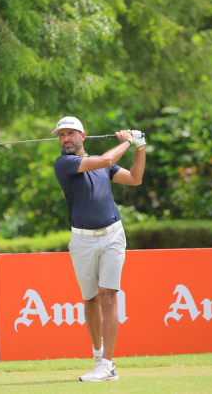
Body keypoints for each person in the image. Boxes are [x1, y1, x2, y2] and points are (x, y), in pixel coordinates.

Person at [52, 116, 146, 382]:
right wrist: (127, 141)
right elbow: (105, 160)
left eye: (70, 133)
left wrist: (140, 147)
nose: (65, 139)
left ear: (83, 136)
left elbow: (135, 178)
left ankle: (107, 364)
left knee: (108, 295)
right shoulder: (64, 163)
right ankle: (98, 357)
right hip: (82, 240)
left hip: (113, 234)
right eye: (61, 135)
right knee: (91, 300)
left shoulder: (103, 163)